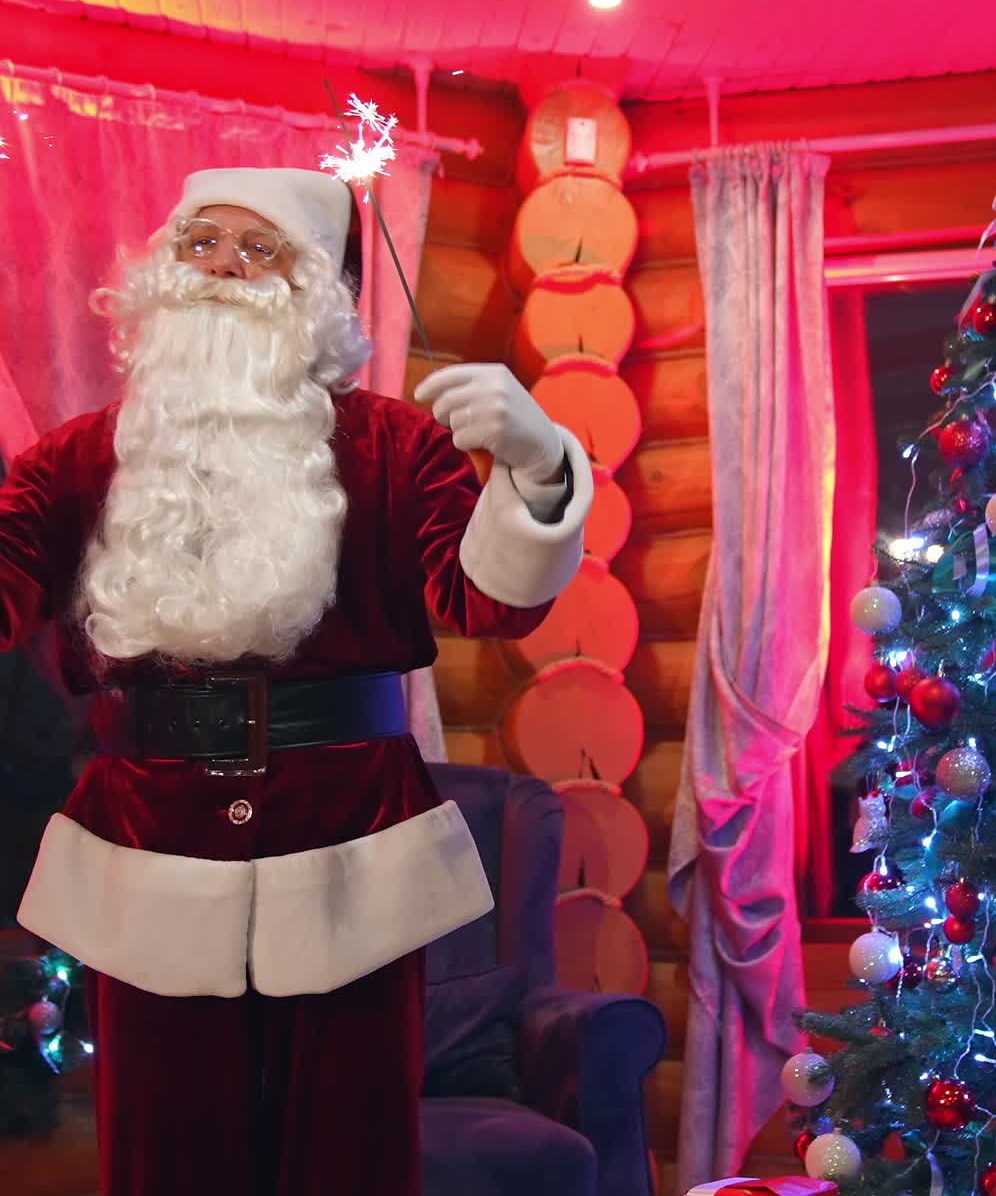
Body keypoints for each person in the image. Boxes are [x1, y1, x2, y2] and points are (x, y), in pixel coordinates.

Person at [3, 167, 592, 1194]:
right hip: (150, 843)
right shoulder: (79, 460)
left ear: (315, 288)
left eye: (260, 247)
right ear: (164, 270)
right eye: (201, 242)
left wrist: (538, 467)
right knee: (164, 1156)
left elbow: (486, 600)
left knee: (349, 1158)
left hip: (353, 843)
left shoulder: (398, 448)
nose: (224, 266)